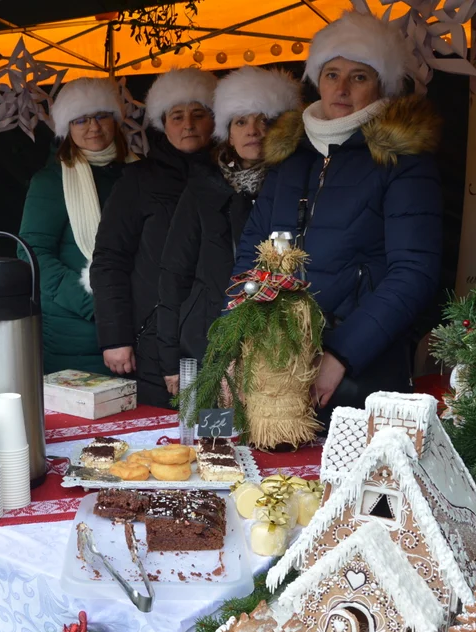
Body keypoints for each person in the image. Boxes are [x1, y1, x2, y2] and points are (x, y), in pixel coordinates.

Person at [234, 11, 442, 414]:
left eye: (359, 76)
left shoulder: (401, 160)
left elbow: (413, 273)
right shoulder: (291, 156)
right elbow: (250, 253)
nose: (342, 88)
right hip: (278, 363)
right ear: (317, 80)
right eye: (332, 74)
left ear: (380, 83)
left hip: (360, 370)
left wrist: (341, 356)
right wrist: (242, 336)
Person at [157, 66, 302, 396]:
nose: (253, 130)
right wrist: (169, 358)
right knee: (213, 444)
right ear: (228, 132)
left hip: (281, 350)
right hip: (207, 343)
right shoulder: (202, 187)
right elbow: (172, 274)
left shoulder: (298, 187)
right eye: (241, 121)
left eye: (263, 119)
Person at [91, 67, 217, 407]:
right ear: (163, 123)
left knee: (218, 442)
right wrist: (114, 337)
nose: (188, 124)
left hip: (220, 338)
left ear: (215, 120)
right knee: (162, 445)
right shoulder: (138, 180)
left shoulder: (231, 178)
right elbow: (109, 260)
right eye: (177, 116)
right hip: (152, 340)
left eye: (198, 114)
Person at [17, 78, 133, 375]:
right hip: (76, 332)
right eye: (80, 119)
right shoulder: (51, 182)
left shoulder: (138, 175)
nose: (92, 127)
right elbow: (32, 257)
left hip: (136, 323)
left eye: (100, 116)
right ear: (67, 128)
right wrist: (98, 306)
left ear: (115, 120)